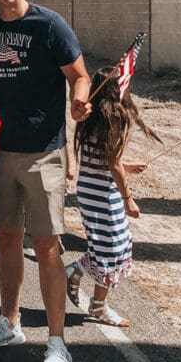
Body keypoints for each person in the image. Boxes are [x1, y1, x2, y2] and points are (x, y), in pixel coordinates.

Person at [0, 0, 91, 362]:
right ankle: (9, 323)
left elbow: (79, 73)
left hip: (44, 152)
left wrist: (79, 98)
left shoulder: (49, 25)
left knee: (46, 245)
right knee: (6, 239)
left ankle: (57, 343)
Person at [65, 66, 158, 326]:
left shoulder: (92, 115)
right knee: (113, 247)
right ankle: (96, 303)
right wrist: (128, 197)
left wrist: (126, 166)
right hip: (103, 193)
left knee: (107, 245)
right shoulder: (115, 117)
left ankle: (83, 279)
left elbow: (102, 156)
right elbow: (113, 164)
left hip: (89, 188)